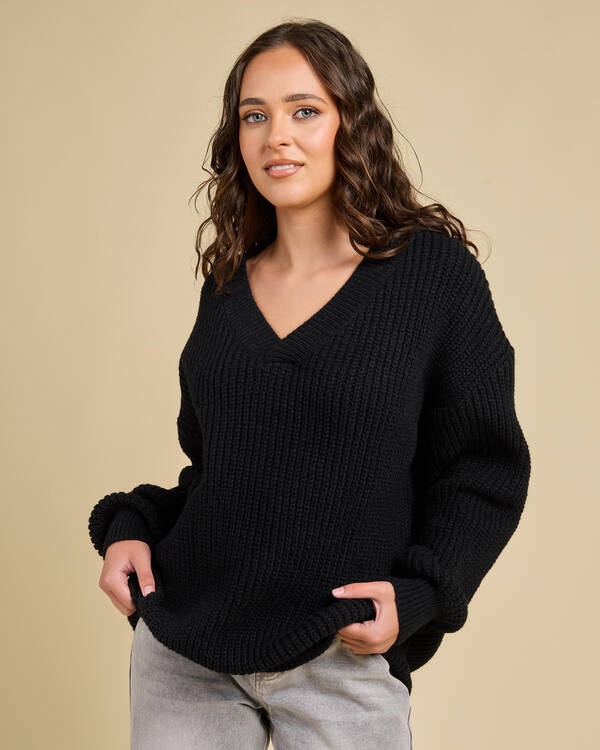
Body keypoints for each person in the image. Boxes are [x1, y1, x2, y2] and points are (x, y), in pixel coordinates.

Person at [88, 19, 531, 750]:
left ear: (350, 123)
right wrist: (132, 528)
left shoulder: (434, 279)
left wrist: (422, 594)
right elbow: (223, 473)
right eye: (254, 116)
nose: (276, 138)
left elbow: (483, 471)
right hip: (187, 650)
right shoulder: (227, 288)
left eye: (304, 110)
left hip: (340, 652)